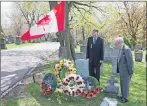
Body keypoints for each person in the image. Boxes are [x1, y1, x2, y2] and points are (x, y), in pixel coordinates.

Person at [115, 37, 134, 103]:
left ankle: (125, 98)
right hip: (122, 71)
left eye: (116, 44)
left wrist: (130, 72)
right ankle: (123, 96)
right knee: (122, 84)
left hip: (126, 71)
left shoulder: (126, 49)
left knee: (125, 84)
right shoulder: (121, 49)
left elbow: (130, 62)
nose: (115, 45)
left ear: (120, 43)